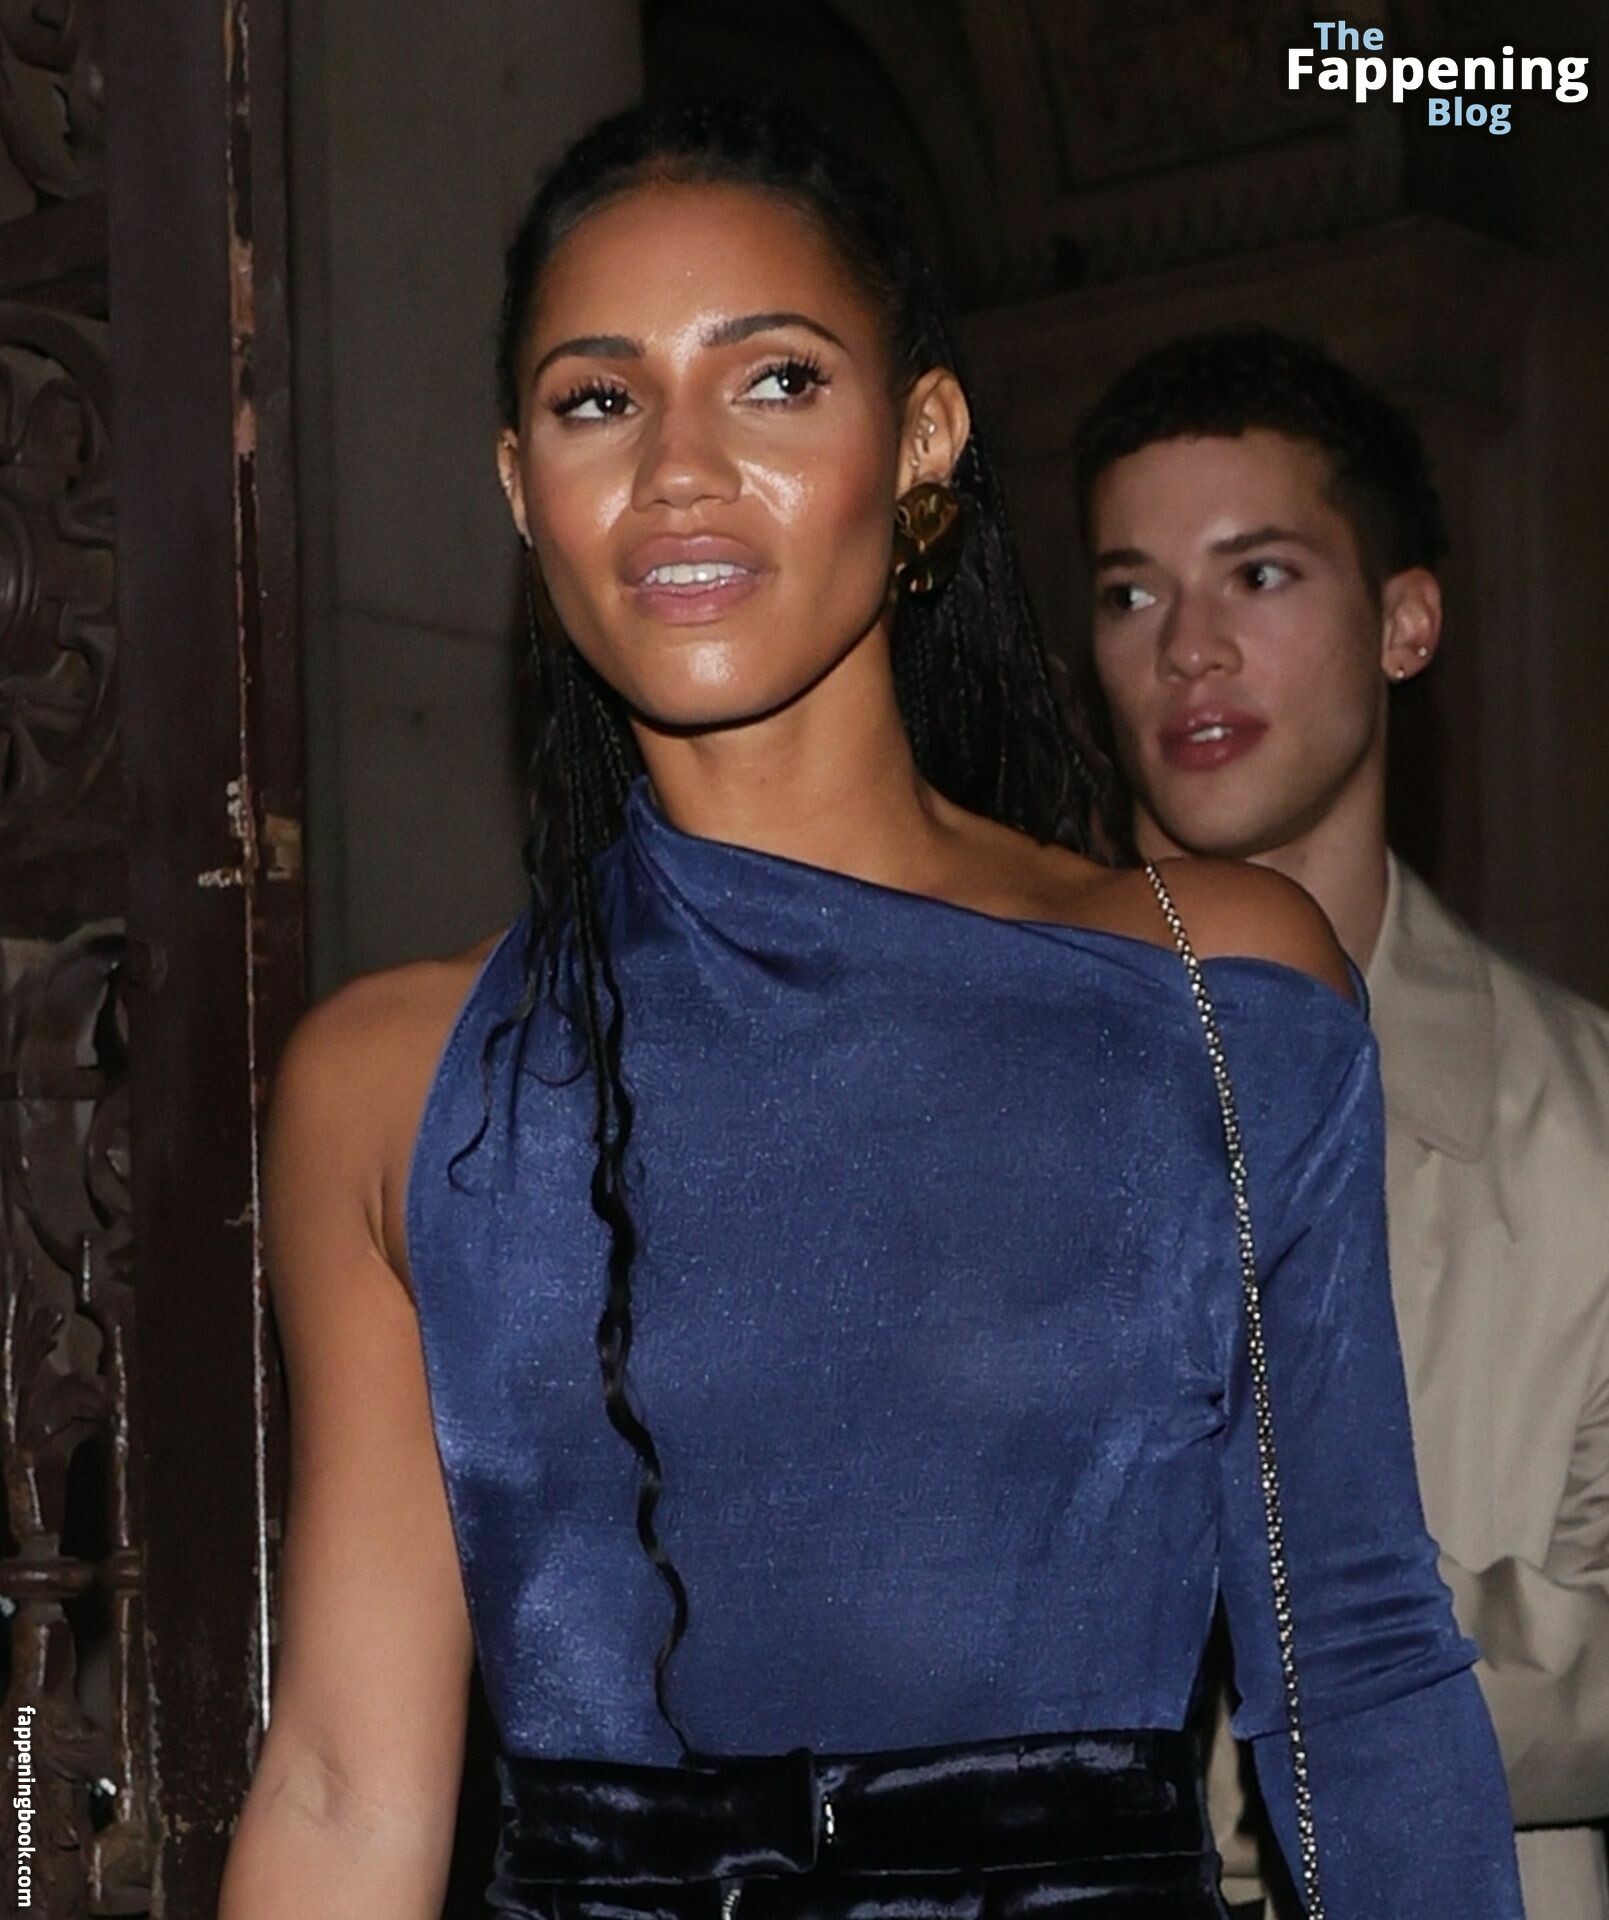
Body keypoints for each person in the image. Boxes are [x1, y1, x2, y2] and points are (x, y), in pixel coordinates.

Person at [219, 109, 1522, 1920]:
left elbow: (1356, 1674)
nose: (679, 471)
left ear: (920, 441)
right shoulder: (398, 1082)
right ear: (522, 487)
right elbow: (347, 1786)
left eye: (773, 381)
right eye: (599, 401)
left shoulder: (1216, 992)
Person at [1074, 325, 1609, 1919]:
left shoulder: (1579, 1122)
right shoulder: (959, 1055)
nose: (1187, 650)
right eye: (1129, 594)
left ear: (1402, 621)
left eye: (1258, 575)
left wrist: (1262, 1672)